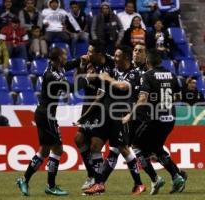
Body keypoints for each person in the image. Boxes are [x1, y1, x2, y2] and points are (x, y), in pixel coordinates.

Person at [79, 46, 146, 195]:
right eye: (114, 56)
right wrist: (90, 76)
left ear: (126, 58)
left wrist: (107, 79)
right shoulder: (112, 71)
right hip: (105, 115)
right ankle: (98, 183)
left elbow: (122, 86)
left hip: (120, 116)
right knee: (95, 146)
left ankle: (139, 183)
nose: (115, 59)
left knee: (122, 149)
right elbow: (100, 90)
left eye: (118, 56)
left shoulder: (134, 74)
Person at [123, 49, 186, 194]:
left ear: (148, 62)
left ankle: (155, 178)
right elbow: (178, 97)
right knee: (157, 148)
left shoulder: (147, 75)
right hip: (170, 119)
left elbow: (143, 98)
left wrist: (130, 115)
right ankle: (177, 177)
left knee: (137, 146)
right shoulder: (172, 75)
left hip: (154, 119)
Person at [16, 48, 78, 196]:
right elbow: (70, 88)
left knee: (44, 150)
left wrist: (81, 60)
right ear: (57, 58)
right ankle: (50, 185)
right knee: (57, 149)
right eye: (64, 56)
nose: (66, 58)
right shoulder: (52, 75)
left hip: (45, 114)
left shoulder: (55, 68)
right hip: (46, 115)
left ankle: (24, 179)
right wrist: (88, 79)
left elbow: (68, 65)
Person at [73, 41, 115, 191]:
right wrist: (80, 66)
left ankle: (97, 182)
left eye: (90, 52)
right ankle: (92, 175)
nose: (87, 54)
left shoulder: (111, 63)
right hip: (88, 104)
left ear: (99, 54)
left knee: (95, 145)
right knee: (78, 139)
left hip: (102, 108)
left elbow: (103, 94)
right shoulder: (88, 63)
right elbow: (77, 84)